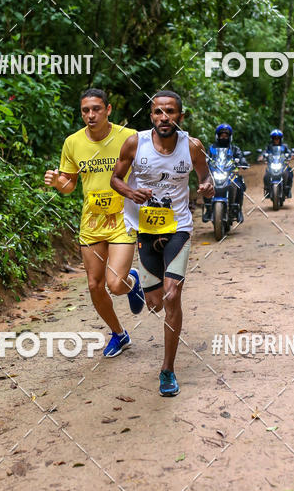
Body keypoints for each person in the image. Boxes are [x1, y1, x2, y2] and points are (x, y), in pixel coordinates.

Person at [111, 91, 214, 397]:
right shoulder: (135, 143)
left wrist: (207, 185)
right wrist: (131, 194)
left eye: (170, 112)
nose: (164, 117)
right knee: (154, 304)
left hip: (178, 228)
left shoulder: (192, 146)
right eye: (158, 112)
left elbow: (205, 176)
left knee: (172, 295)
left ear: (180, 117)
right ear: (151, 116)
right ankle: (134, 284)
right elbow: (115, 179)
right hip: (144, 229)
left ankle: (167, 370)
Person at [44, 88, 145, 358]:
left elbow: (149, 169)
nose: (91, 115)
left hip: (123, 218)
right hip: (91, 222)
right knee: (94, 285)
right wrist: (57, 183)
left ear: (108, 110)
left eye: (96, 109)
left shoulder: (129, 137)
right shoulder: (73, 143)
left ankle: (132, 281)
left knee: (115, 284)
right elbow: (69, 183)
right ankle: (119, 334)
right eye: (86, 110)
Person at [204, 123, 248, 223]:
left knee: (239, 185)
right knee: (205, 185)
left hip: (229, 174)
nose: (223, 137)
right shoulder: (211, 148)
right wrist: (203, 161)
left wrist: (243, 162)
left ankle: (238, 210)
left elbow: (241, 157)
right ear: (217, 136)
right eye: (221, 135)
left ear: (230, 137)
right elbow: (205, 157)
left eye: (226, 135)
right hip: (214, 174)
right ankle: (208, 209)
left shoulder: (234, 149)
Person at [262, 128, 293, 198]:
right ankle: (267, 189)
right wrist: (262, 156)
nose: (276, 140)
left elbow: (289, 152)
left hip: (282, 164)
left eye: (278, 138)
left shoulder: (284, 146)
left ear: (281, 139)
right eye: (275, 138)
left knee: (289, 173)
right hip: (272, 164)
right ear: (272, 139)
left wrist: (290, 156)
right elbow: (264, 152)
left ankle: (287, 189)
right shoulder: (269, 146)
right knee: (266, 176)